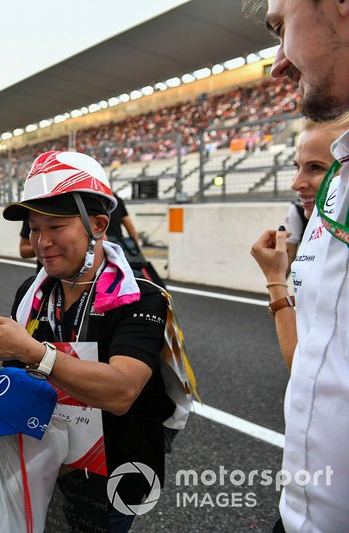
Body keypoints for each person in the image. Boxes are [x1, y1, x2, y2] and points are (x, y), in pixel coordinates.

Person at [0, 151, 173, 532]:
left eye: (55, 226)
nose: (41, 242)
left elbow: (121, 391)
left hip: (119, 474)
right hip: (46, 463)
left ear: (99, 224)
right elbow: (21, 375)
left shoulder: (142, 296)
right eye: (33, 228)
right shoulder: (33, 291)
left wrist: (28, 349)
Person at [247, 0, 349, 530]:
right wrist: (276, 282)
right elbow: (312, 365)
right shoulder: (334, 202)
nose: (278, 62)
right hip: (301, 511)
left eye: (281, 27)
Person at [281, 116, 349, 276]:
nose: (295, 184)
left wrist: (275, 281)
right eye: (297, 167)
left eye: (316, 167)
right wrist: (275, 277)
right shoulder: (300, 211)